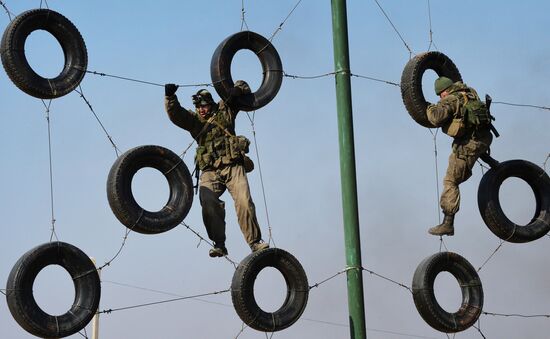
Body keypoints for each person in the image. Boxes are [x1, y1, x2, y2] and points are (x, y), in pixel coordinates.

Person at [164, 81, 269, 257]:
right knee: (208, 202)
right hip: (210, 171)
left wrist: (236, 90)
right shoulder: (195, 121)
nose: (201, 110)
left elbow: (245, 89)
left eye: (204, 105)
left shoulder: (225, 109)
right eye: (198, 107)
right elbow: (176, 114)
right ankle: (219, 243)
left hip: (232, 166)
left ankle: (255, 242)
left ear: (210, 104)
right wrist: (170, 97)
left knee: (244, 201)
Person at [426, 76, 493, 236]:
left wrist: (429, 108)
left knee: (451, 181)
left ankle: (448, 223)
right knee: (470, 150)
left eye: (440, 94)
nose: (440, 98)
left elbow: (436, 118)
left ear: (444, 91)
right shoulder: (470, 92)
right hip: (484, 139)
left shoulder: (450, 100)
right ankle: (493, 163)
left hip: (469, 144)